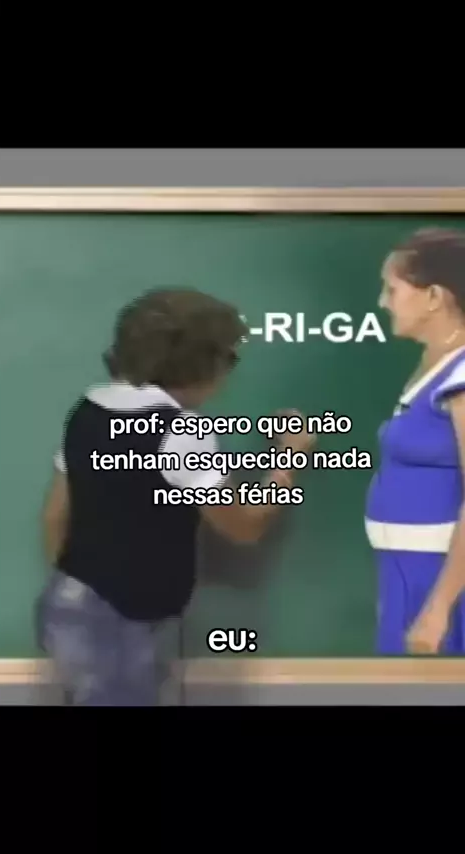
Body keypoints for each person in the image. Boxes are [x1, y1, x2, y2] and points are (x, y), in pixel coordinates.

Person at [36, 287, 314, 704]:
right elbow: (244, 526)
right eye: (228, 359)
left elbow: (56, 516)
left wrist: (85, 588)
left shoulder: (89, 408)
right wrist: (289, 457)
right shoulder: (180, 431)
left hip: (68, 605)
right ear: (202, 363)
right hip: (126, 623)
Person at [365, 227, 465, 655]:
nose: (382, 302)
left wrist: (439, 609)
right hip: (406, 574)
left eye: (392, 290)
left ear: (434, 297)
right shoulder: (435, 364)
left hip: (442, 583)